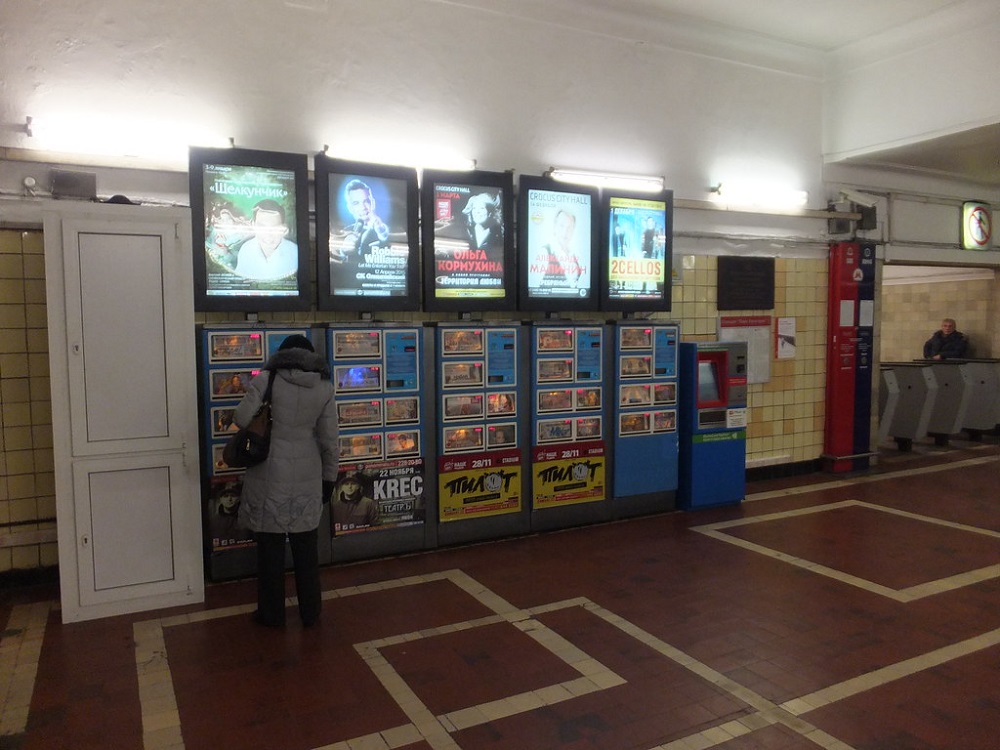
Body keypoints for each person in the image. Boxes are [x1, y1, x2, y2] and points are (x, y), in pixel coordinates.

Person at [233, 334, 338, 628]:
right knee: (306, 549)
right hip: (307, 475)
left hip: (268, 473)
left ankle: (272, 614)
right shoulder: (324, 386)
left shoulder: (267, 379)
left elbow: (241, 419)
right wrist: (329, 478)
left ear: (282, 355)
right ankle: (310, 612)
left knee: (270, 550)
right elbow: (330, 441)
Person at [331, 179, 390, 269]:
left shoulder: (386, 229)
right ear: (350, 208)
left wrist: (381, 231)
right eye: (356, 203)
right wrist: (343, 251)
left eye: (366, 201)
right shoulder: (344, 233)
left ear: (373, 203)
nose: (363, 207)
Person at [233, 199, 299, 280]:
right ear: (253, 225)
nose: (268, 234)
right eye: (262, 227)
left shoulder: (295, 252)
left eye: (275, 228)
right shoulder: (245, 249)